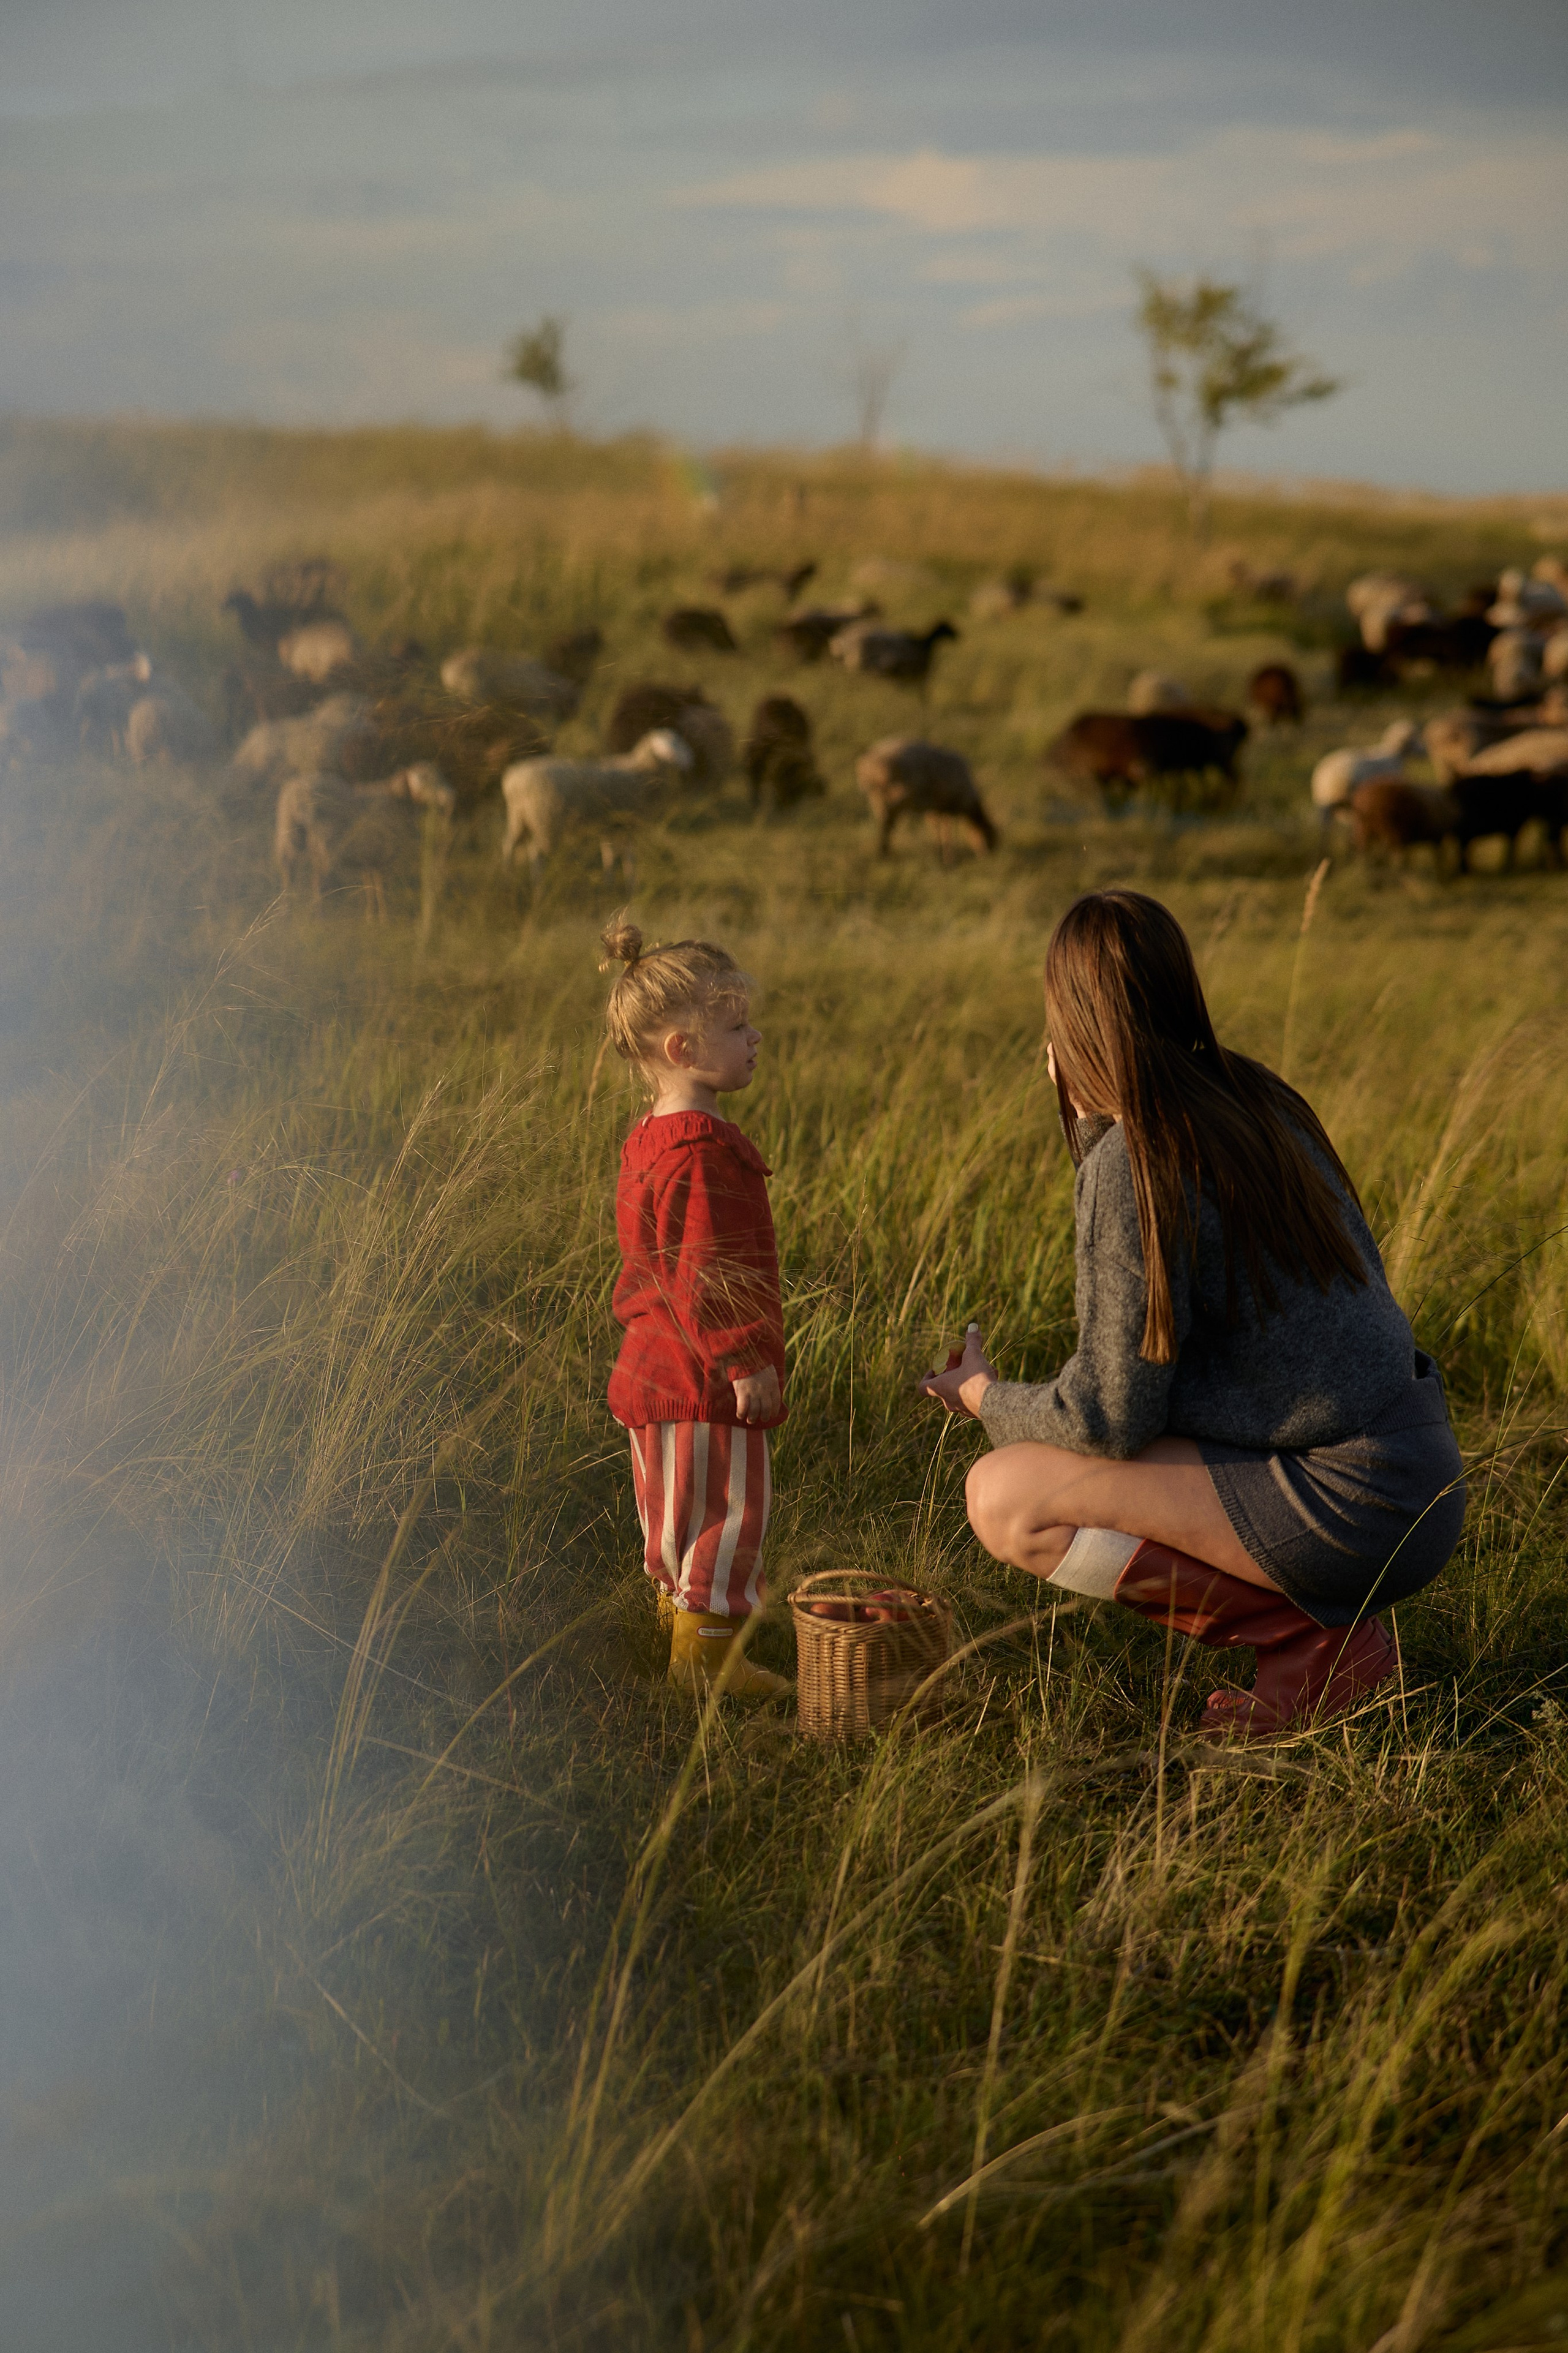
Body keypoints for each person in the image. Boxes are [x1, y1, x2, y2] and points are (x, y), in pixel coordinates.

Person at [919, 889, 1466, 1739]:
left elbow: (1109, 1416)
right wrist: (1092, 1120)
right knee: (1040, 1470)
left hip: (1353, 1503)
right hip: (1419, 1467)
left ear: (1071, 1022)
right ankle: (1320, 1639)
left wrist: (983, 1396)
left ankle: (1313, 1646)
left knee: (1006, 1496)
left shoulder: (1135, 1156)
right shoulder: (1257, 1095)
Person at [600, 916, 792, 1703]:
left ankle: (677, 1632)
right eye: (737, 1026)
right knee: (727, 1515)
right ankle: (707, 1666)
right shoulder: (699, 1150)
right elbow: (708, 1272)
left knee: (674, 1518)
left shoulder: (654, 1134)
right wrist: (745, 1359)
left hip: (656, 1371)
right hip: (700, 1379)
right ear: (681, 1048)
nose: (755, 1037)